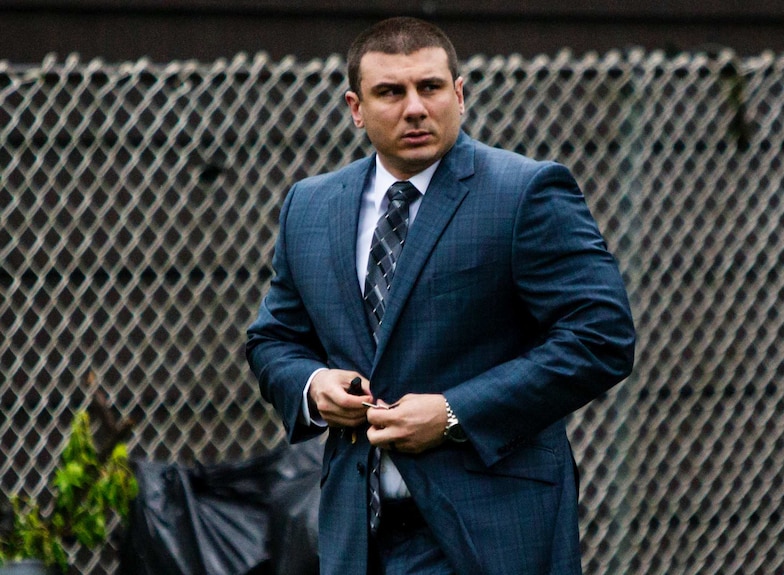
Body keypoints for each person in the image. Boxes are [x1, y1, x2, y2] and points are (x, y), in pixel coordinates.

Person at [247, 16, 635, 575]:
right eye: (390, 92)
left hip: (490, 534)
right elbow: (273, 339)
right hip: (357, 538)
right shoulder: (309, 206)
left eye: (429, 88)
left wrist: (455, 414)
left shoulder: (525, 191)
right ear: (356, 108)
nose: (414, 107)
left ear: (458, 94)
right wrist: (312, 387)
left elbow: (602, 338)